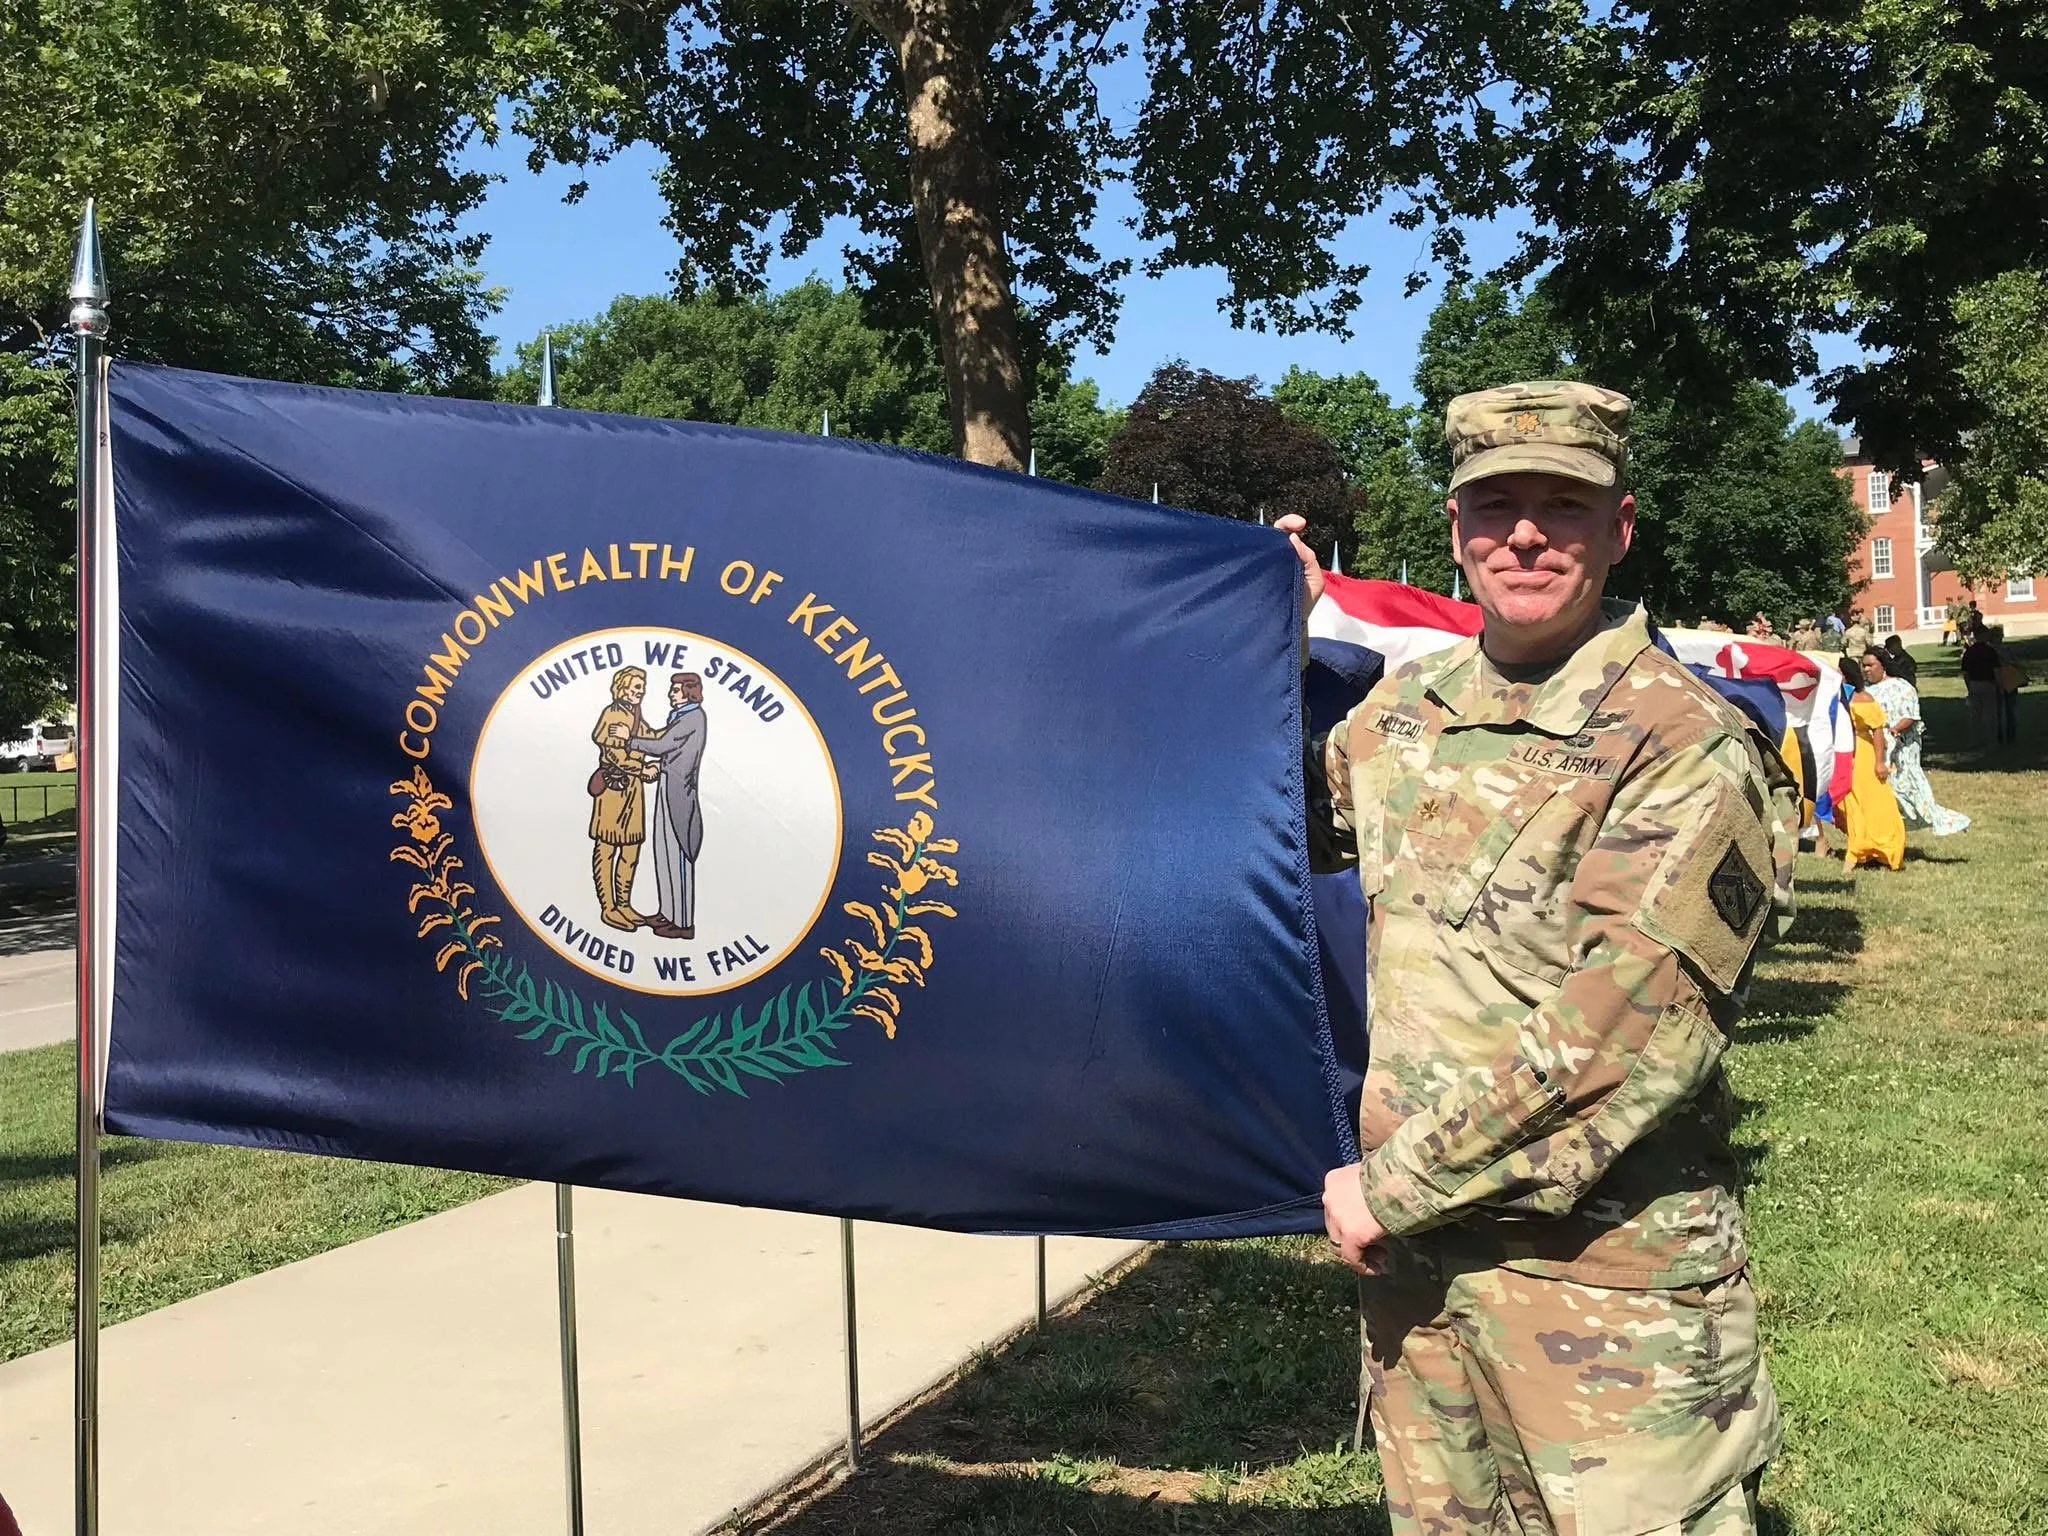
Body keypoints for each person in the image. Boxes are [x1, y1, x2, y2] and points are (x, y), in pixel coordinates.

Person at [1293, 381, 1783, 1536]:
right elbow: (1262, 843)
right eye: (1493, 504)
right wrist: (1233, 632)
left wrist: (1390, 1188)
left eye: (1561, 505)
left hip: (1598, 1293)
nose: (1522, 533)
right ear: (1455, 529)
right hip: (1420, 1282)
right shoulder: (1401, 716)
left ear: (1617, 527)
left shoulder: (1682, 744)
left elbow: (1632, 1036)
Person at [624, 671, 709, 939]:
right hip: (667, 786)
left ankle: (682, 923)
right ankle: (667, 912)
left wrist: (630, 740)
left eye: (676, 689)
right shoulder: (680, 716)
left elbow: (664, 745)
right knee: (663, 852)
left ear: (689, 691)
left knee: (678, 856)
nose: (671, 694)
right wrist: (657, 766)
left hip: (679, 795)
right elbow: (675, 754)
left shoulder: (693, 717)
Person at [1861, 648, 1968, 836]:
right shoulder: (1866, 691)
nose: (1866, 669)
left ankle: (1940, 818)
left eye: (1871, 665)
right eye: (1864, 666)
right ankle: (1892, 825)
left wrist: (1895, 729)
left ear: (1883, 666)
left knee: (1910, 782)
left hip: (1903, 745)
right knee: (1888, 787)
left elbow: (1911, 715)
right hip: (1877, 747)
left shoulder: (1902, 687)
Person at [589, 665, 653, 932]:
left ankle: (624, 903)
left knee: (631, 850)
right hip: (614, 789)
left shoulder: (635, 715)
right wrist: (643, 769)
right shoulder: (613, 713)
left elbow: (651, 737)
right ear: (622, 687)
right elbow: (614, 754)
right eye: (635, 687)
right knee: (607, 848)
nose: (640, 692)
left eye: (642, 688)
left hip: (633, 791)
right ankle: (608, 908)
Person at [1837, 654, 1905, 871]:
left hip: (1863, 754)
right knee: (1849, 803)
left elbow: (1877, 733)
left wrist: (1879, 762)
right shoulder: (1835, 698)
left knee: (1871, 802)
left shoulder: (1862, 699)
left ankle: (1881, 848)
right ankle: (1861, 846)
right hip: (1844, 751)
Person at [1960, 628, 2002, 746]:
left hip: (1974, 684)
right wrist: (2000, 685)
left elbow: (1965, 673)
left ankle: (1974, 740)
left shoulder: (1969, 652)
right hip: (1988, 683)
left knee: (1974, 715)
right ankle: (1991, 740)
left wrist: (1969, 686)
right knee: (1990, 714)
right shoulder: (1990, 651)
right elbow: (1996, 670)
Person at [1990, 626, 2027, 744]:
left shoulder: (1989, 650)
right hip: (2009, 679)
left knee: (1998, 710)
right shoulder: (2007, 650)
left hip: (1996, 679)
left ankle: (1999, 736)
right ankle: (2011, 736)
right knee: (2010, 709)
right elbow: (2017, 663)